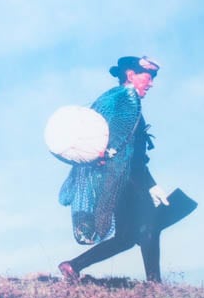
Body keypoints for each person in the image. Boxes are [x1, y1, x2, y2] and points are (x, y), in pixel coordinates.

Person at [58, 56, 170, 283]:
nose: (151, 83)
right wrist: (151, 185)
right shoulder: (127, 101)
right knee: (149, 226)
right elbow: (126, 154)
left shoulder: (115, 100)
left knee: (127, 237)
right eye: (148, 77)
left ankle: (73, 265)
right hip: (124, 178)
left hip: (117, 179)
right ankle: (155, 284)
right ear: (131, 75)